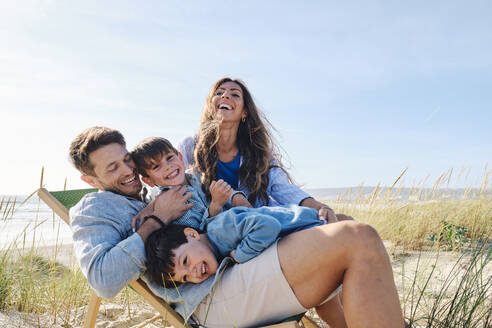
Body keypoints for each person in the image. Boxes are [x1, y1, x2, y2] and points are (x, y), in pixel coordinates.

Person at [70, 126, 404, 328]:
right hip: (211, 295)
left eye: (127, 160)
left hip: (228, 270)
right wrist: (158, 220)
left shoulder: (152, 191)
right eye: (112, 168)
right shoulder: (93, 210)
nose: (127, 171)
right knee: (356, 238)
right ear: (89, 179)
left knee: (344, 224)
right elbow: (103, 281)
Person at [179, 77, 351, 223]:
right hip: (215, 226)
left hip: (260, 222)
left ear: (244, 112)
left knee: (343, 221)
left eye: (235, 94)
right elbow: (171, 178)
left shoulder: (258, 153)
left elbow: (284, 189)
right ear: (211, 105)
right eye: (219, 93)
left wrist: (320, 206)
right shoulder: (190, 147)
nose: (225, 95)